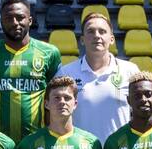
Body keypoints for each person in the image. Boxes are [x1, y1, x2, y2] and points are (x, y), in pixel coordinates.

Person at [0, 0, 63, 143]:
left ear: (30, 20)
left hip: (36, 140)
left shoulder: (49, 53)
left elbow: (55, 95)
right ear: (1, 21)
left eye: (20, 17)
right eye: (9, 18)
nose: (15, 23)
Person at [60, 13, 141, 141]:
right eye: (91, 31)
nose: (97, 35)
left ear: (112, 39)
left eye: (102, 31)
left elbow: (141, 113)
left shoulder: (130, 71)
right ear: (82, 40)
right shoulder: (66, 73)